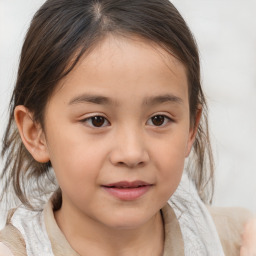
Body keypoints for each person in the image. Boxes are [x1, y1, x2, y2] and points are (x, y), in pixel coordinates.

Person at [0, 0, 252, 255]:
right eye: (97, 120)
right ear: (36, 134)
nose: (131, 154)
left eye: (158, 119)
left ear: (190, 129)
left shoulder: (236, 241)